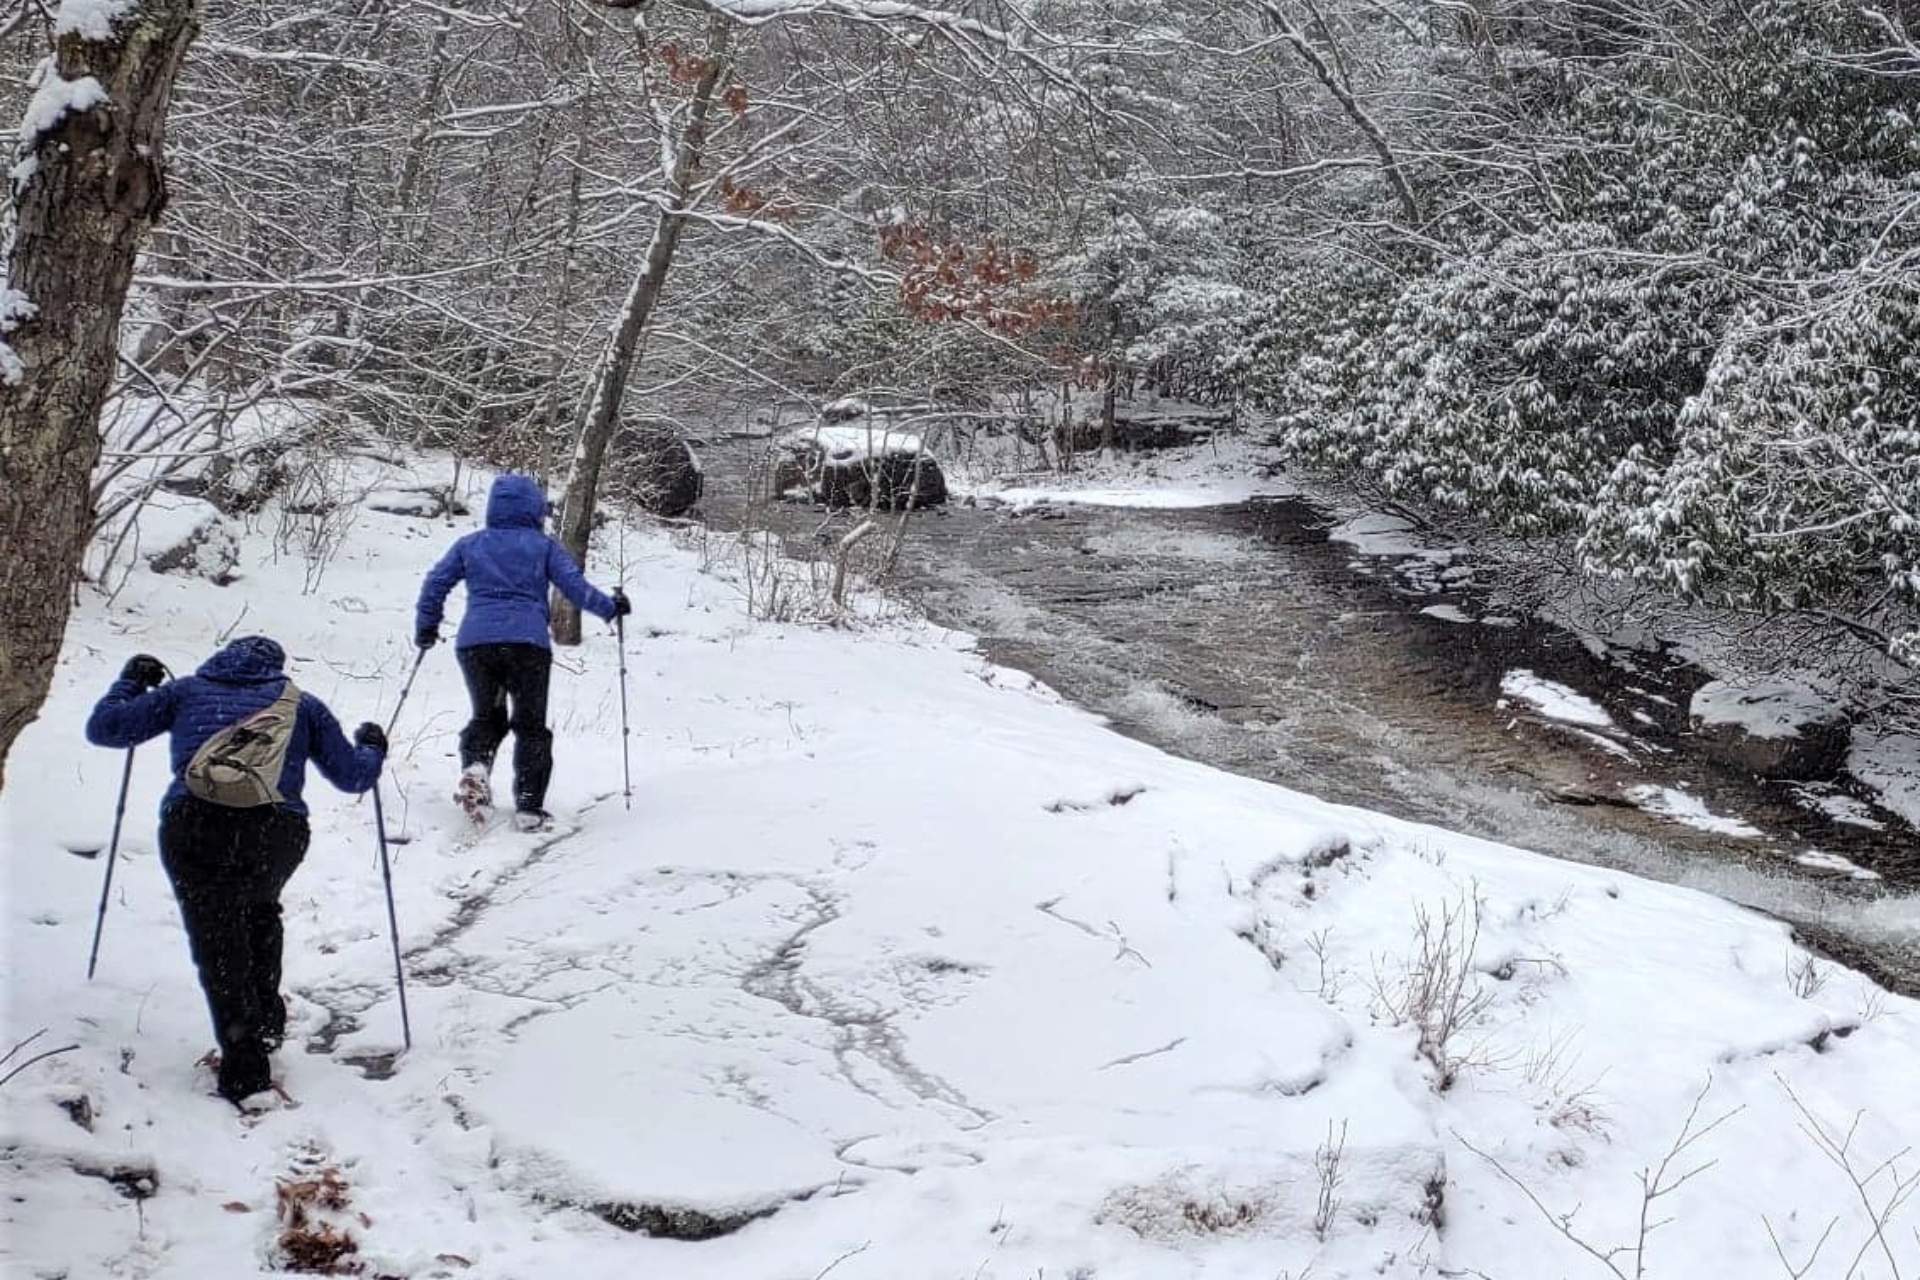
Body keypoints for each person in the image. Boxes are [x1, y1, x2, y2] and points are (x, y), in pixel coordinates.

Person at [84, 636, 387, 1106]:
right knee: (259, 910)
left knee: (217, 937)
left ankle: (246, 1068)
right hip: (276, 831)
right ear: (276, 668)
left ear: (220, 660)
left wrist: (130, 683)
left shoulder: (185, 692)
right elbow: (353, 777)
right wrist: (372, 747)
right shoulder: (302, 706)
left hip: (195, 825)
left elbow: (106, 728)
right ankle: (264, 1024)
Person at [414, 473, 630, 832]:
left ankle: (476, 768)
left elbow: (437, 582)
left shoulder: (471, 545)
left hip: (476, 645)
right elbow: (573, 587)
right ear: (534, 509)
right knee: (530, 725)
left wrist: (426, 627)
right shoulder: (542, 547)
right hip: (527, 647)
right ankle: (529, 808)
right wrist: (610, 608)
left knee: (488, 716)